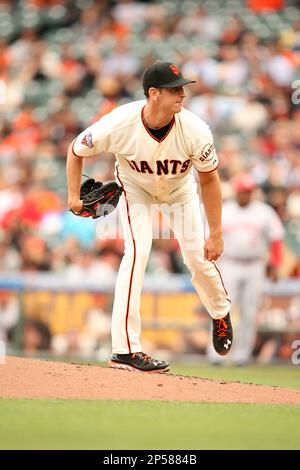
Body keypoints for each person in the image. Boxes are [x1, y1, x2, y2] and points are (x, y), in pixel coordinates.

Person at [66, 60, 232, 373]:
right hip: (135, 190)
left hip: (179, 194)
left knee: (197, 259)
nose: (182, 94)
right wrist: (73, 197)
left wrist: (217, 231)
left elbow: (210, 179)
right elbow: (75, 151)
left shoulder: (195, 129)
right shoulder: (119, 123)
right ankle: (126, 350)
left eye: (183, 88)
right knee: (137, 253)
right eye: (174, 90)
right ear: (153, 93)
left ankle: (220, 312)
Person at [207, 174, 284, 366]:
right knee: (223, 309)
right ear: (237, 191)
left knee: (250, 312)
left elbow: (276, 238)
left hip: (254, 265)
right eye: (242, 191)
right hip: (230, 264)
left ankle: (242, 355)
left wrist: (275, 264)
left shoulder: (263, 212)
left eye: (248, 191)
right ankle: (216, 354)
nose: (245, 195)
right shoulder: (226, 210)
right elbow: (210, 237)